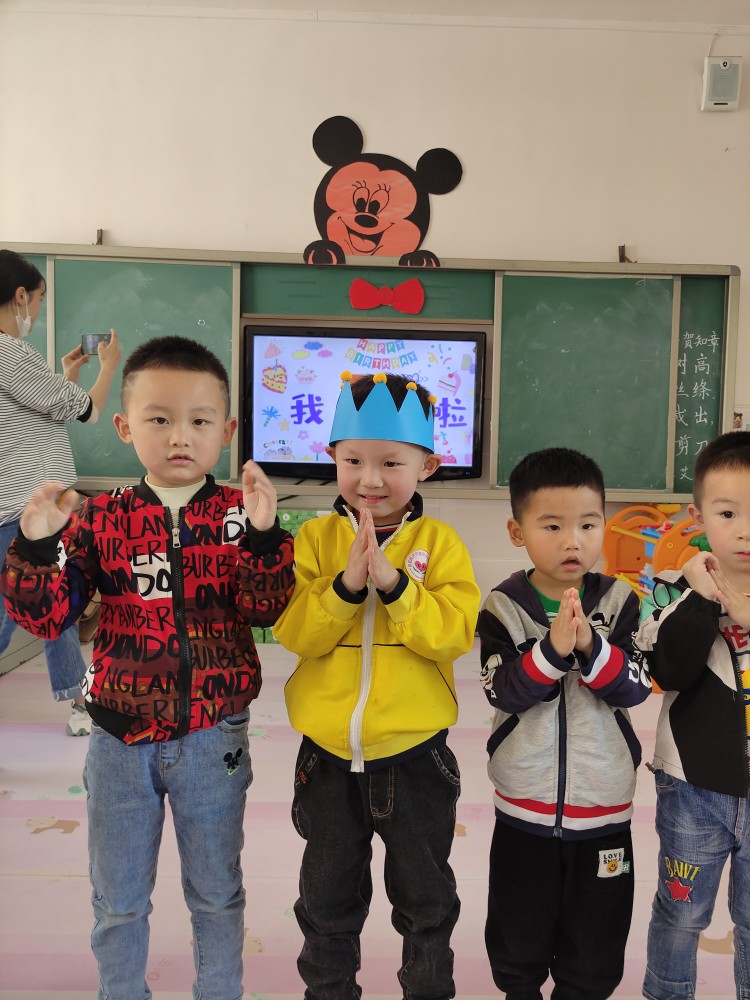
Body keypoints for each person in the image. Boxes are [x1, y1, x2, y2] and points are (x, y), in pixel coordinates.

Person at [0, 335, 295, 1000]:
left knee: (217, 892)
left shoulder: (239, 515)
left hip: (216, 737)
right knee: (118, 899)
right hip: (116, 739)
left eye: (199, 420)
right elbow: (47, 617)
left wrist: (264, 537)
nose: (179, 436)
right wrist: (35, 546)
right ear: (125, 427)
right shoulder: (100, 518)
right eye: (159, 418)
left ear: (227, 430)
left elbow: (265, 608)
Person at [273, 370, 480, 1000]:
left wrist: (394, 585)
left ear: (427, 466)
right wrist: (345, 587)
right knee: (325, 902)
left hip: (415, 757)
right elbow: (294, 633)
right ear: (332, 458)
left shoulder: (441, 544)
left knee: (427, 902)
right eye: (353, 460)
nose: (370, 479)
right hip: (327, 759)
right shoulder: (313, 538)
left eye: (391, 462)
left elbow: (453, 635)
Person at [477, 446, 651, 1000]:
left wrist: (589, 646)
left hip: (604, 809)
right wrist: (551, 651)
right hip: (523, 810)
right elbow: (503, 690)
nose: (572, 541)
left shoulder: (621, 601)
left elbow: (636, 685)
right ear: (517, 531)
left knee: (596, 945)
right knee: (517, 937)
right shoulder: (503, 606)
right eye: (552, 526)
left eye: (587, 525)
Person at [637, 430, 750, 1000]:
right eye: (728, 513)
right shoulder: (671, 589)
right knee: (681, 915)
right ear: (698, 516)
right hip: (692, 788)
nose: (746, 531)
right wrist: (703, 597)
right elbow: (670, 671)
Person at [0, 247, 121, 735]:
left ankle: (77, 702)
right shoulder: (10, 352)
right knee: (31, 606)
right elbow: (87, 411)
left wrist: (68, 375)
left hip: (23, 506)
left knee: (51, 603)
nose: (38, 309)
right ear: (20, 296)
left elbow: (43, 411)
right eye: (39, 299)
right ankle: (78, 704)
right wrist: (108, 366)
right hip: (25, 509)